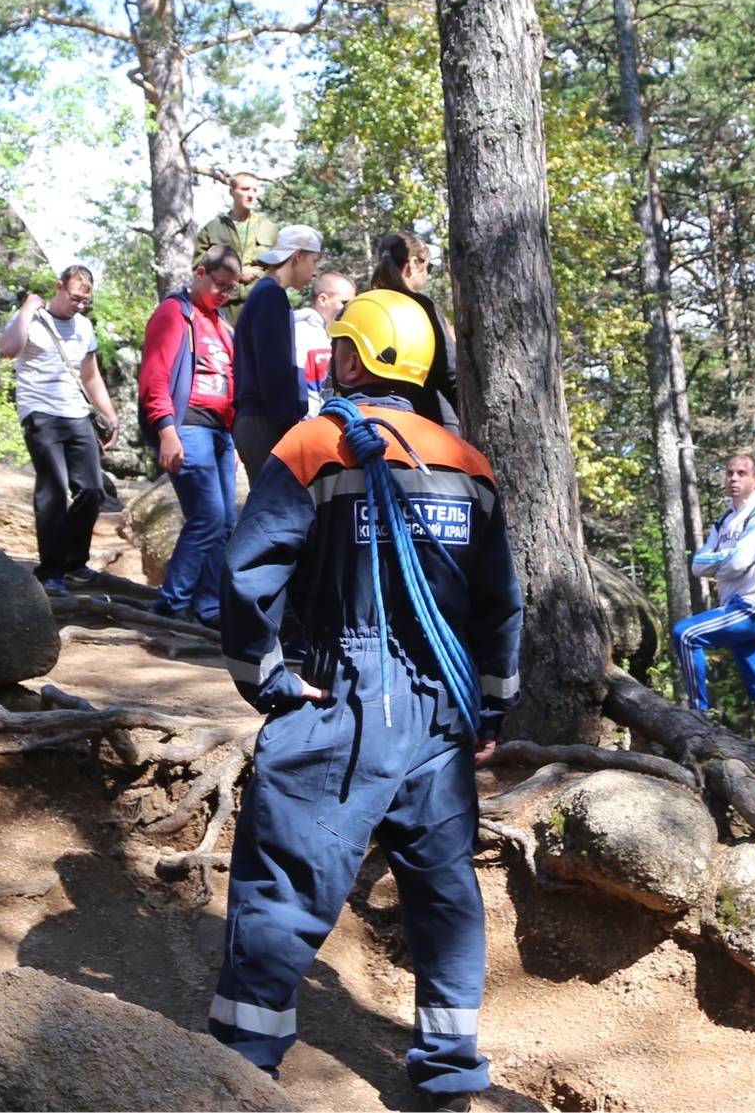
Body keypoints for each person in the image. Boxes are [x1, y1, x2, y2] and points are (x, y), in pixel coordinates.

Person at [210, 288, 522, 1110]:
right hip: (439, 709)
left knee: (286, 879)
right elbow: (500, 604)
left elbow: (248, 575)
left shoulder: (316, 444)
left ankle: (242, 1070)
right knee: (444, 889)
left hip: (341, 701)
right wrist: (489, 708)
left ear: (352, 359)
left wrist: (270, 677)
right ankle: (450, 1068)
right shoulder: (467, 460)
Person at [0, 266, 122, 595]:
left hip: (76, 413)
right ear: (59, 287)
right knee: (52, 488)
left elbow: (91, 376)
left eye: (85, 300)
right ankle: (50, 571)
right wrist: (27, 307)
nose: (79, 305)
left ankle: (74, 562)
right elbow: (9, 348)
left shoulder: (84, 326)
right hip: (40, 413)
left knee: (93, 490)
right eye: (74, 297)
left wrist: (110, 416)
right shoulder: (32, 319)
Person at [138, 245, 241, 626]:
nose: (225, 294)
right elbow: (155, 377)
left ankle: (208, 606)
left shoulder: (219, 322)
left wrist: (235, 437)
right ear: (200, 272)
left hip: (220, 432)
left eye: (231, 289)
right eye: (219, 284)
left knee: (226, 521)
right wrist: (167, 429)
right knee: (207, 515)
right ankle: (169, 604)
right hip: (188, 425)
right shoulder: (174, 313)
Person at [672, 455, 755, 758]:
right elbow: (698, 565)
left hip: (754, 608)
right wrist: (726, 562)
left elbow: (736, 561)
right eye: (729, 473)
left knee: (686, 635)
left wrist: (723, 562)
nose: (733, 478)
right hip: (737, 609)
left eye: (742, 473)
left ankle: (697, 715)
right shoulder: (724, 521)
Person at [231, 223, 323, 481]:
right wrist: (288, 425)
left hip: (259, 418)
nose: (315, 271)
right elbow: (274, 368)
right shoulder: (270, 296)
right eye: (313, 261)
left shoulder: (265, 294)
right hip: (265, 420)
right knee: (277, 513)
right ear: (297, 256)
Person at [371, 231, 460, 432]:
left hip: (378, 420)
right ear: (412, 264)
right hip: (430, 418)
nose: (428, 273)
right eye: (427, 266)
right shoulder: (422, 307)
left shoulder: (364, 305)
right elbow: (447, 369)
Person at [199, 171, 279, 325]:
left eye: (254, 190)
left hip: (260, 305)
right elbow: (199, 268)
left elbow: (278, 269)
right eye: (245, 189)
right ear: (232, 192)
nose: (251, 195)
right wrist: (236, 273)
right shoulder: (213, 228)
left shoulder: (269, 228)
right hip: (222, 307)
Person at [293, 270, 355, 416]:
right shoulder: (300, 332)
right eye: (344, 303)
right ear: (322, 299)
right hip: (305, 425)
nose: (349, 309)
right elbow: (293, 384)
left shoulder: (342, 338)